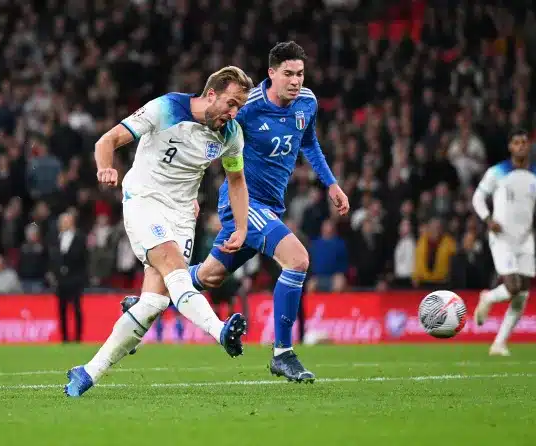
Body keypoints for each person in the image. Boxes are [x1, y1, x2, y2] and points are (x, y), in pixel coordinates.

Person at [138, 42, 349, 383]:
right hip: (245, 205)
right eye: (288, 74)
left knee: (209, 277)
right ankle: (283, 354)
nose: (295, 81)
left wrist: (331, 184)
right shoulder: (247, 107)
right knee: (297, 259)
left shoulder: (307, 102)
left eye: (300, 74)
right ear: (271, 74)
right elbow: (206, 139)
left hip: (269, 208)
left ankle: (145, 302)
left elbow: (308, 142)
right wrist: (189, 191)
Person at [64, 66, 254, 397]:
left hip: (181, 215)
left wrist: (240, 225)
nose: (235, 113)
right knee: (174, 267)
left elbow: (236, 179)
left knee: (153, 304)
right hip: (144, 199)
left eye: (240, 107)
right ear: (211, 94)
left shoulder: (231, 134)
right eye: (231, 103)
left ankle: (88, 372)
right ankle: (220, 331)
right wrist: (105, 167)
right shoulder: (165, 108)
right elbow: (107, 140)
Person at [471, 128, 536, 356]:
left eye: (524, 142)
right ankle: (488, 297)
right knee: (512, 286)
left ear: (528, 146)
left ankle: (499, 343)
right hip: (502, 237)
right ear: (510, 147)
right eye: (516, 142)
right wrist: (488, 219)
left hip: (525, 239)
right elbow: (478, 197)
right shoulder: (497, 172)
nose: (521, 146)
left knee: (522, 294)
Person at [48, 212, 87, 343]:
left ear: (72, 222)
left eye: (67, 221)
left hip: (75, 278)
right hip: (61, 280)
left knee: (76, 309)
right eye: (62, 221)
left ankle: (77, 338)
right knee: (62, 310)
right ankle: (64, 338)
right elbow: (53, 257)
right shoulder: (56, 238)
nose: (64, 224)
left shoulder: (80, 237)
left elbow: (83, 259)